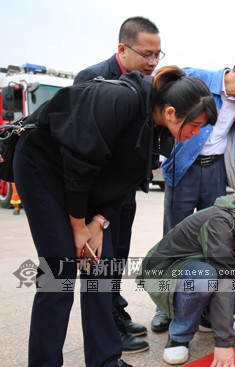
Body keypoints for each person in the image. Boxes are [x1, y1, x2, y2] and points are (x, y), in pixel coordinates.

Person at [12, 66, 217, 367]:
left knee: (100, 268)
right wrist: (79, 226)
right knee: (60, 273)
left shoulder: (163, 134)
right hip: (43, 169)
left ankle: (105, 360)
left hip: (83, 186)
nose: (196, 134)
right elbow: (78, 164)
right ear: (172, 112)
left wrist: (98, 223)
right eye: (196, 126)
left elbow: (126, 183)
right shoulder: (121, 100)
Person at [153, 53, 235, 331]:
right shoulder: (197, 78)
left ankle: (206, 306)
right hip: (184, 168)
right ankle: (164, 307)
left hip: (216, 170)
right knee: (174, 236)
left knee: (215, 237)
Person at [73, 16, 165, 350]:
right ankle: (107, 328)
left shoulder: (146, 83)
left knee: (119, 255)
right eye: (146, 54)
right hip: (96, 193)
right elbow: (81, 146)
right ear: (122, 49)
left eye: (158, 54)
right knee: (100, 262)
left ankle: (116, 309)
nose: (153, 62)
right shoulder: (93, 78)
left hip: (124, 191)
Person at [138, 188, 235, 366]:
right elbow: (223, 279)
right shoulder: (220, 222)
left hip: (203, 266)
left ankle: (208, 320)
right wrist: (224, 343)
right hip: (165, 271)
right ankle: (179, 335)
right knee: (206, 277)